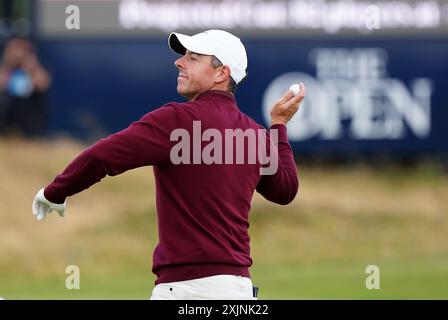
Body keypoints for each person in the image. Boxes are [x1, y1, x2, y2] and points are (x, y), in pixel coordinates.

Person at [32, 30, 306, 300]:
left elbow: (102, 156)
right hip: (238, 291)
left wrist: (55, 192)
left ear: (222, 73)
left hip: (186, 290)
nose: (179, 62)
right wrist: (279, 126)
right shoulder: (254, 134)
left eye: (194, 58)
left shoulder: (176, 121)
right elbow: (285, 190)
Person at [0, 37, 51, 137]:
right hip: (9, 110)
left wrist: (30, 66)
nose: (19, 54)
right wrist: (8, 64)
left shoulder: (36, 66)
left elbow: (43, 84)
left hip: (28, 110)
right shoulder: (7, 68)